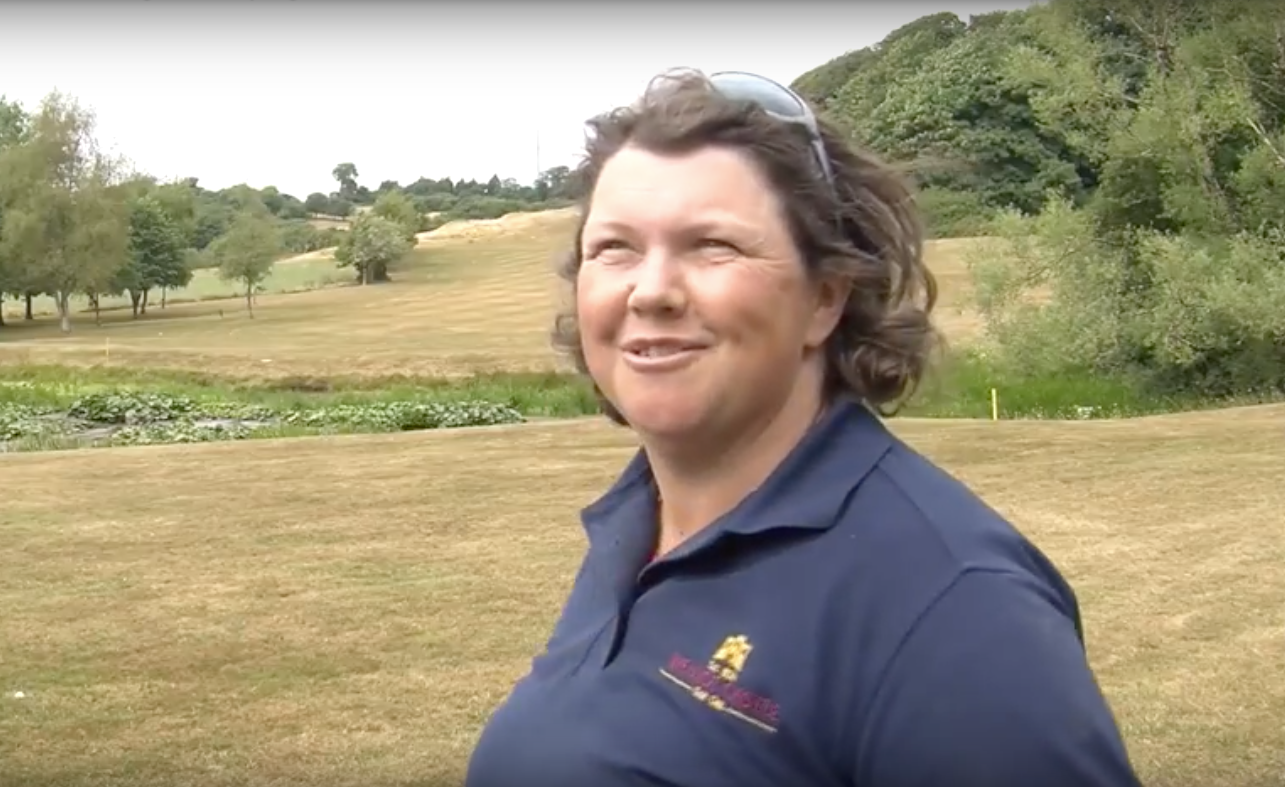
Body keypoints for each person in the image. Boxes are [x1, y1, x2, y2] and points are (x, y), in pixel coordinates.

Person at [463, 69, 1142, 787]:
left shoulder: (959, 609)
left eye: (711, 244)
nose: (651, 289)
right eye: (615, 248)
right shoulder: (638, 529)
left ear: (824, 297)